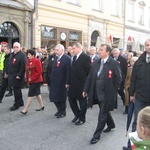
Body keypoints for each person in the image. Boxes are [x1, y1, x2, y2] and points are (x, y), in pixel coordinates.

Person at [83, 44, 122, 144]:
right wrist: (85, 89)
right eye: (99, 49)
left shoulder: (113, 63)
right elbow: (90, 77)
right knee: (104, 111)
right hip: (96, 92)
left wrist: (113, 91)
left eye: (101, 50)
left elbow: (118, 79)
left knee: (102, 115)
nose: (98, 51)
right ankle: (111, 125)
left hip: (107, 94)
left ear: (107, 52)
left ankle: (96, 135)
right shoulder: (96, 62)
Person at [123, 39, 150, 150]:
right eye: (147, 45)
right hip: (140, 97)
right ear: (145, 47)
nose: (149, 47)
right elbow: (133, 79)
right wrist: (132, 94)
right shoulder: (139, 61)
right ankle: (131, 146)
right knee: (137, 122)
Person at [68, 42, 91, 125]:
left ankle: (82, 118)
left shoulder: (85, 57)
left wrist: (87, 86)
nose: (72, 50)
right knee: (71, 100)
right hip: (73, 84)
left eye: (73, 48)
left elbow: (89, 72)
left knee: (82, 102)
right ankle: (77, 114)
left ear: (78, 48)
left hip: (82, 85)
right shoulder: (74, 58)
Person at [49, 44, 71, 118]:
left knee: (61, 97)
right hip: (54, 80)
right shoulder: (55, 58)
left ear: (62, 50)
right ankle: (59, 110)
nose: (55, 51)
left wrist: (67, 82)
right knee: (54, 97)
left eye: (57, 50)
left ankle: (62, 111)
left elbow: (68, 71)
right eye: (55, 50)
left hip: (62, 81)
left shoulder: (67, 59)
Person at [20, 49, 44, 114]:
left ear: (33, 55)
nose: (28, 56)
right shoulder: (28, 61)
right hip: (31, 80)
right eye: (27, 55)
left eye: (29, 55)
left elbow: (39, 71)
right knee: (37, 93)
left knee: (30, 94)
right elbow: (27, 70)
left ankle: (25, 109)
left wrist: (32, 78)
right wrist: (27, 79)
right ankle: (42, 106)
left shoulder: (37, 61)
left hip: (37, 80)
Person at [8, 42, 27, 111]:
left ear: (20, 47)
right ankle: (20, 102)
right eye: (14, 47)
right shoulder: (12, 54)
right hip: (12, 75)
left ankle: (16, 104)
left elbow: (23, 66)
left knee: (16, 90)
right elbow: (10, 64)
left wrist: (19, 75)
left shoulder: (22, 55)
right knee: (17, 90)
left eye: (17, 47)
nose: (15, 48)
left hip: (18, 76)